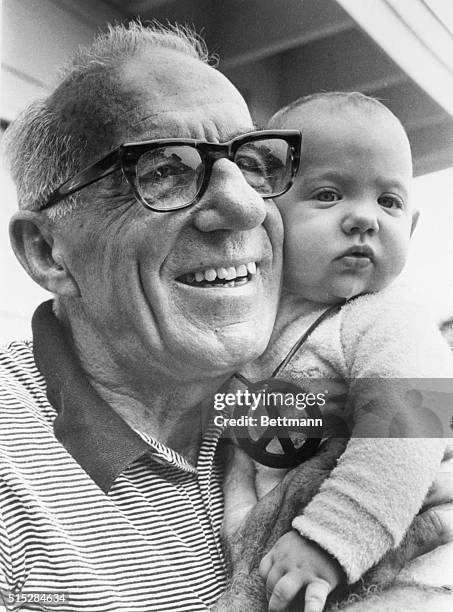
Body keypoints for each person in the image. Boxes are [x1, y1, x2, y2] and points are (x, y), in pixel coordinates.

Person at [0, 23, 452, 612]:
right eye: (163, 170)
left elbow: (420, 418)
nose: (244, 206)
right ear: (47, 251)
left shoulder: (278, 385)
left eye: (253, 165)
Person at [232, 92, 453, 611]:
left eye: (389, 202)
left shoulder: (386, 317)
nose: (364, 219)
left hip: (397, 569)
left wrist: (331, 536)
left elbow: (413, 420)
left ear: (412, 228)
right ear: (267, 215)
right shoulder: (258, 319)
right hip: (292, 564)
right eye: (329, 195)